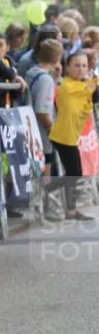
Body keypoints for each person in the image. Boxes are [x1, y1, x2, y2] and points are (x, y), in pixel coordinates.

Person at [46, 51, 99, 221]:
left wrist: (91, 81)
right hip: (63, 136)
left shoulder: (81, 85)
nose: (81, 69)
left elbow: (95, 96)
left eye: (84, 65)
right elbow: (90, 88)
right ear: (67, 67)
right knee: (75, 172)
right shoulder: (69, 86)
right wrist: (93, 80)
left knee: (73, 172)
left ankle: (70, 210)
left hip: (69, 136)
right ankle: (44, 190)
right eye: (76, 65)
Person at [25, 39, 63, 205]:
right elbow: (43, 110)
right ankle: (45, 206)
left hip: (29, 130)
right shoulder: (45, 79)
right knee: (44, 170)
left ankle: (41, 203)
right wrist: (53, 129)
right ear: (57, 59)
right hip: (42, 135)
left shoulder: (31, 72)